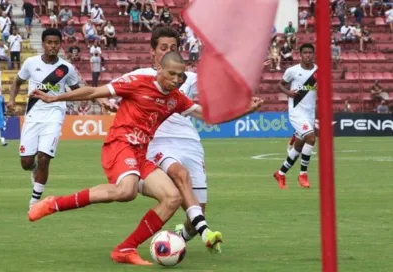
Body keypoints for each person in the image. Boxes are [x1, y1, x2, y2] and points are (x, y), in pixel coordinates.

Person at [28, 51, 263, 265]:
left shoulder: (176, 98)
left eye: (180, 76)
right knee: (126, 191)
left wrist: (245, 110)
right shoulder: (137, 82)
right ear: (159, 69)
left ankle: (125, 248)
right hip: (120, 144)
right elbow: (93, 91)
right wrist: (55, 99)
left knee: (172, 197)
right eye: (171, 73)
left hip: (141, 152)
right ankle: (54, 204)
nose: (175, 79)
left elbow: (208, 116)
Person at [104, 27, 226, 251]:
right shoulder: (140, 76)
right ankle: (205, 232)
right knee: (179, 175)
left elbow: (214, 91)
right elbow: (109, 93)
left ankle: (182, 235)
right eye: (163, 48)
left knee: (196, 211)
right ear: (153, 52)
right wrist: (106, 103)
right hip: (158, 141)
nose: (167, 52)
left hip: (189, 142)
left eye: (173, 48)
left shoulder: (188, 78)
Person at [7, 28, 80, 208]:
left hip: (54, 115)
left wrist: (99, 100)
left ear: (60, 44)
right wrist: (11, 100)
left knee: (44, 157)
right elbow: (17, 82)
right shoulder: (31, 63)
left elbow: (78, 90)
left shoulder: (66, 68)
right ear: (43, 43)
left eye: (56, 43)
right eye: (49, 42)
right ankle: (34, 170)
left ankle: (35, 202)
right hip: (33, 115)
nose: (53, 46)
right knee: (26, 162)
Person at [273, 43, 317, 189]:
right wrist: (288, 92)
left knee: (299, 145)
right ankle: (303, 174)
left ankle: (281, 173)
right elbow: (280, 84)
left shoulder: (318, 71)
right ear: (300, 54)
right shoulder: (292, 71)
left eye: (310, 53)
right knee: (310, 138)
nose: (308, 55)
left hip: (310, 112)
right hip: (296, 111)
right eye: (305, 53)